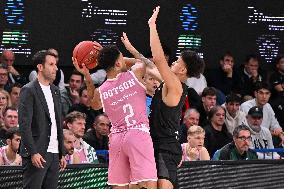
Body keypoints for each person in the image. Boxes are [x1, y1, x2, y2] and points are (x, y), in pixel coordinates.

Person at [73, 40, 158, 187]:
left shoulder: (101, 91)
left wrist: (87, 76)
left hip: (117, 139)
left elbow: (93, 105)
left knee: (119, 186)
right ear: (119, 63)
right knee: (147, 183)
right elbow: (145, 62)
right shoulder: (135, 74)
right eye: (120, 58)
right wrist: (114, 57)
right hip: (137, 133)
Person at [148, 7, 204, 189]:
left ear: (183, 70)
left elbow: (157, 58)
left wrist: (152, 25)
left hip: (164, 149)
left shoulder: (174, 85)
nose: (173, 61)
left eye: (177, 60)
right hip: (161, 146)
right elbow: (148, 65)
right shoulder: (169, 82)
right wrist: (127, 56)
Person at [18, 50, 66, 189]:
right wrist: (33, 152)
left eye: (55, 64)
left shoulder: (56, 90)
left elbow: (57, 123)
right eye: (51, 64)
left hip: (54, 153)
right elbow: (24, 125)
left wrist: (61, 152)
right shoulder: (29, 90)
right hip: (37, 152)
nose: (55, 68)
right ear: (40, 67)